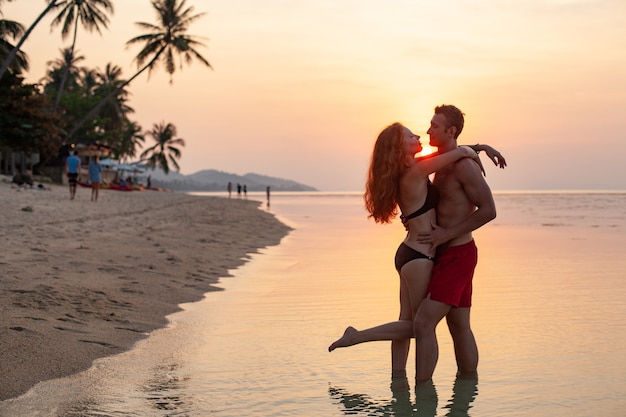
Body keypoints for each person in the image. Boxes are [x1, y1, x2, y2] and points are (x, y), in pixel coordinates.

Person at [328, 117, 506, 379]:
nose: (419, 137)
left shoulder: (412, 169)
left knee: (408, 321)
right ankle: (360, 338)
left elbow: (448, 153)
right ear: (400, 149)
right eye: (411, 137)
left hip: (409, 254)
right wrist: (474, 149)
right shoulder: (416, 172)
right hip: (421, 256)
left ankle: (397, 379)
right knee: (420, 325)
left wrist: (478, 146)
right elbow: (457, 152)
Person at [412, 104, 499, 381]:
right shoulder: (442, 159)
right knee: (459, 325)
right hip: (447, 253)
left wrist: (444, 235)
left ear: (451, 131)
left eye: (434, 126)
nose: (428, 130)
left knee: (424, 322)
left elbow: (489, 210)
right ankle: (467, 393)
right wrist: (480, 145)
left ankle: (421, 395)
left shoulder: (464, 166)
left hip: (458, 254)